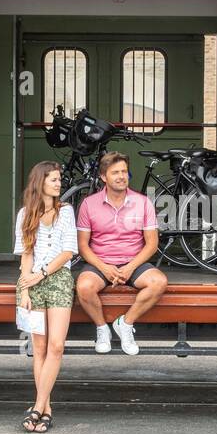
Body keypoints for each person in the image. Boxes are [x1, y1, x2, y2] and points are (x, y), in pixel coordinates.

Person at [75, 151, 169, 355]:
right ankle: (102, 329)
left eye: (124, 172)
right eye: (115, 172)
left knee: (158, 282)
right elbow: (83, 246)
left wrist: (130, 267)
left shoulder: (143, 202)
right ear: (103, 177)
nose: (121, 176)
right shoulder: (88, 204)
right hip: (100, 262)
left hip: (133, 261)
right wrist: (104, 268)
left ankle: (125, 324)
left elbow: (152, 244)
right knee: (84, 287)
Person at [14, 161, 77, 433]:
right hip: (32, 283)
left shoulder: (66, 212)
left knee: (56, 346)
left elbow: (68, 252)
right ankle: (46, 408)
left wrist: (41, 274)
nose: (58, 183)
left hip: (59, 280)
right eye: (53, 179)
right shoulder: (25, 214)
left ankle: (38, 406)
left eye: (59, 179)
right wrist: (25, 289)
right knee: (38, 349)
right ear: (40, 182)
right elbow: (25, 253)